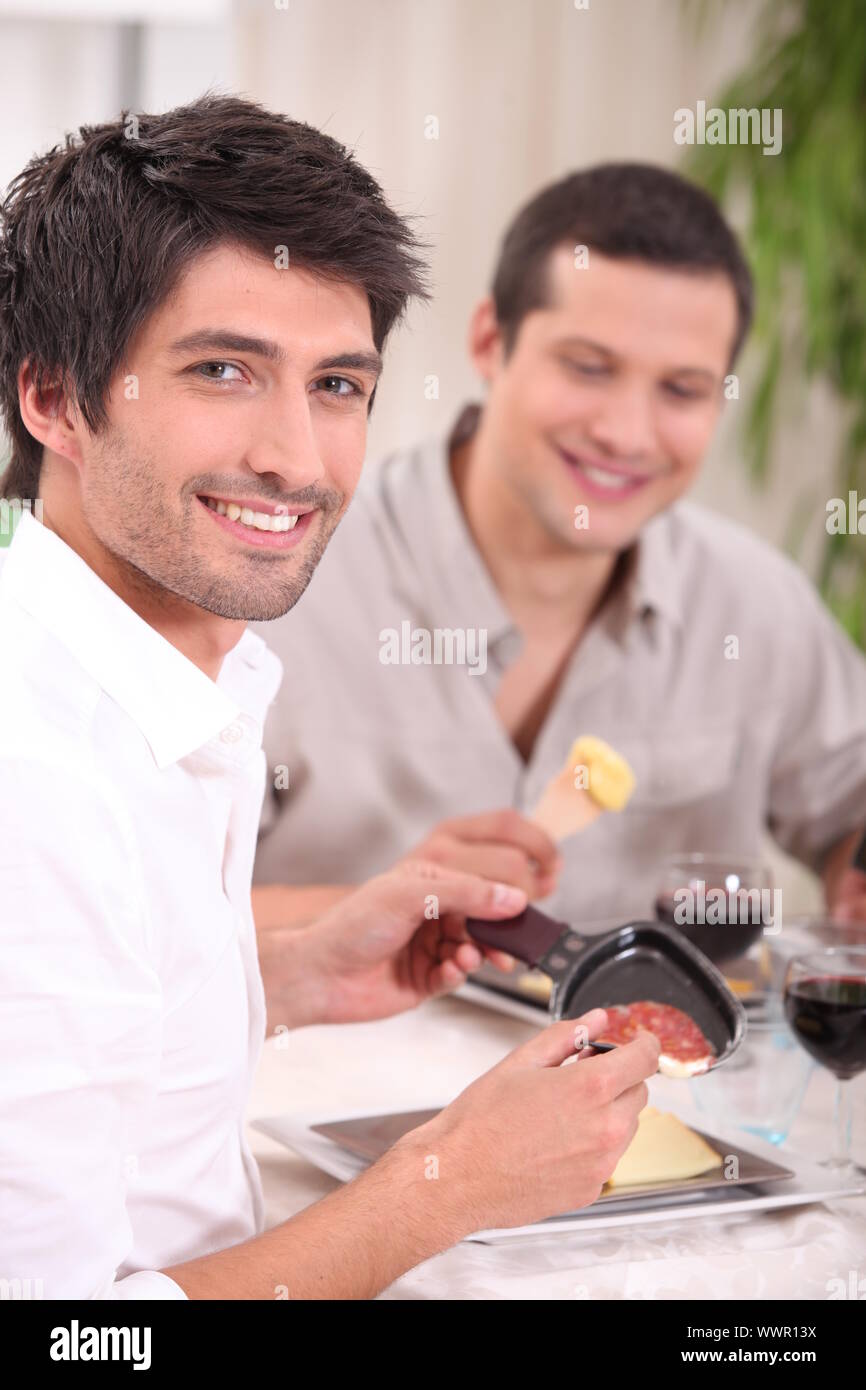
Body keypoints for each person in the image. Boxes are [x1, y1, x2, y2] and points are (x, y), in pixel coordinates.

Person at [0, 94, 659, 1300]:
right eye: (223, 371)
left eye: (338, 386)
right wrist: (445, 1182)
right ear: (52, 399)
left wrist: (286, 977)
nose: (297, 460)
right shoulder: (31, 777)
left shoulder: (169, 675)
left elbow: (84, 1056)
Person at [252, 163, 866, 933]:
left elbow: (852, 813)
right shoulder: (279, 578)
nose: (626, 433)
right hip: (333, 1053)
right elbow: (157, 919)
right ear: (489, 341)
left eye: (681, 390)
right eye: (587, 367)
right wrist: (398, 903)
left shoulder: (753, 603)